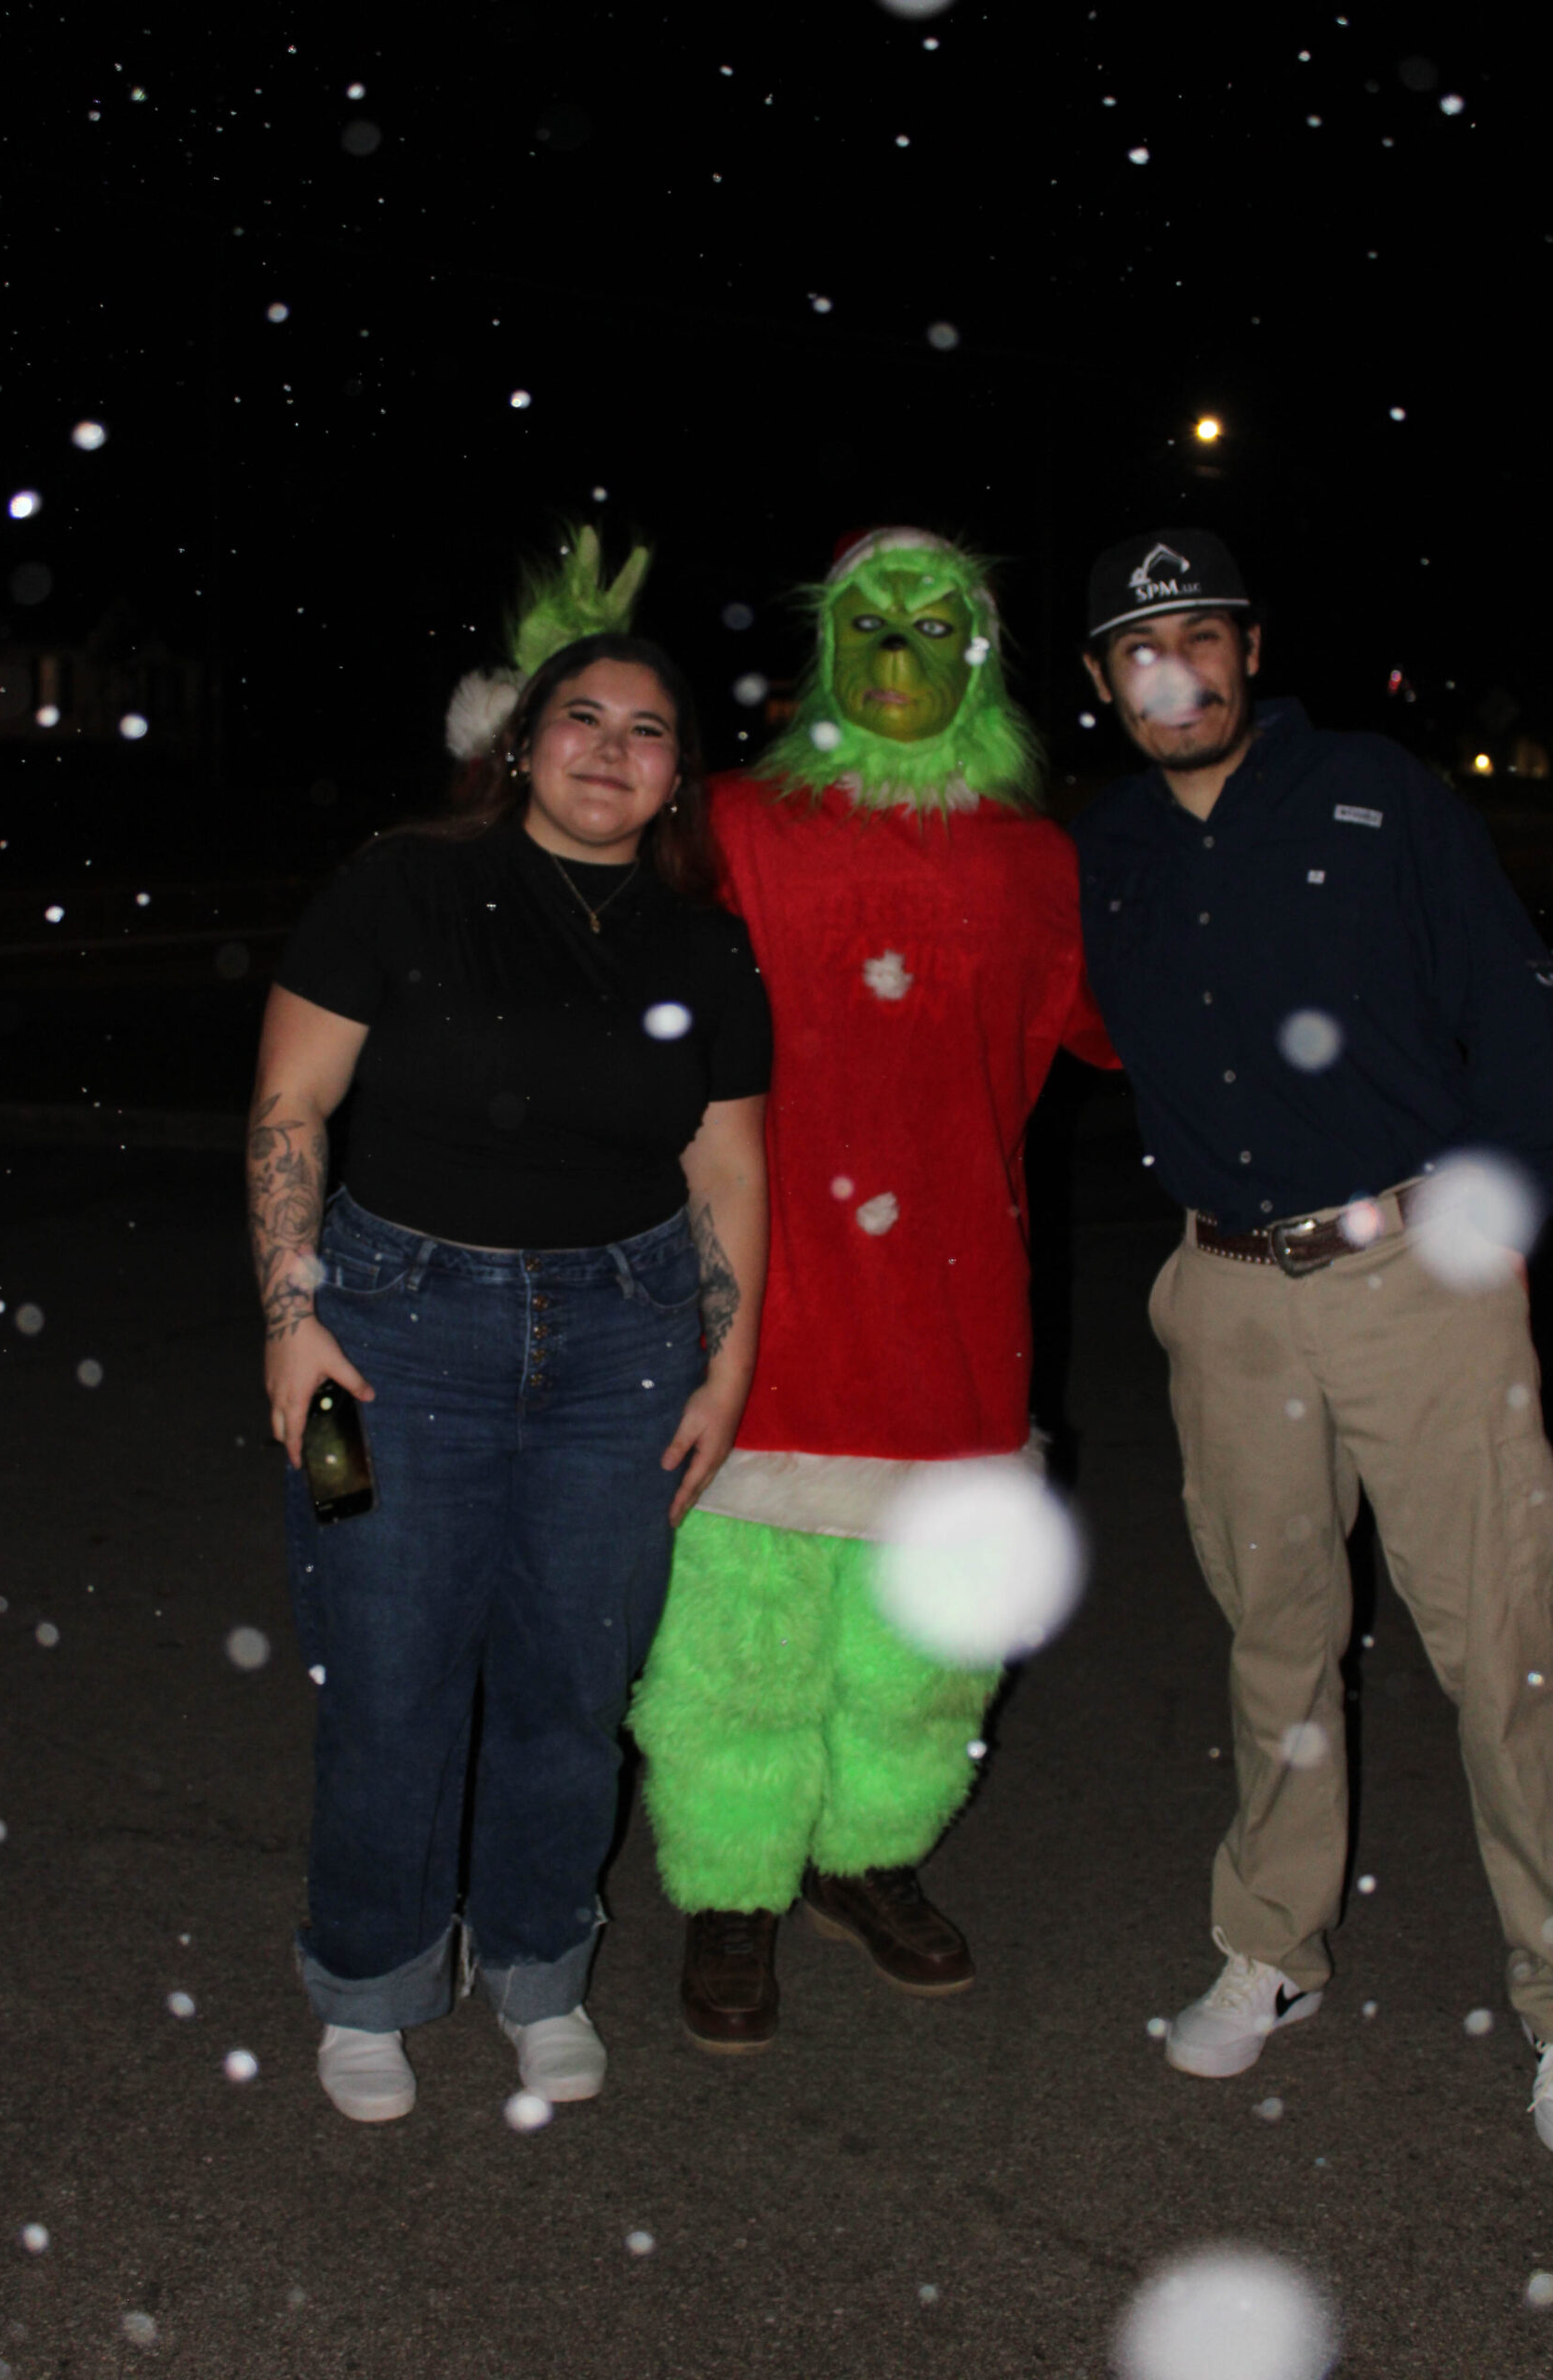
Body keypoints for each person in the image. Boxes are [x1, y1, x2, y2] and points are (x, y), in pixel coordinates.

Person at [249, 608, 771, 2122]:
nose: (612, 750)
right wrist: (291, 1320)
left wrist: (725, 1370)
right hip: (383, 1336)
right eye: (583, 718)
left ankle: (540, 1964)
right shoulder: (404, 884)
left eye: (648, 730)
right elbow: (290, 1105)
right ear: (525, 742)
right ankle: (371, 1977)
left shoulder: (704, 943)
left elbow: (727, 1168)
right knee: (385, 1677)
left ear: (677, 775)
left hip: (627, 1347)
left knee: (572, 1685)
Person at [1070, 525, 1553, 2149]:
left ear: (1251, 650)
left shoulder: (1373, 792)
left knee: (1503, 1643)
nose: (1176, 673)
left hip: (1415, 1268)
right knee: (1273, 1632)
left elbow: (1516, 1001)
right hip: (1226, 1293)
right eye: (1140, 651)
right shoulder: (1108, 845)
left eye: (1202, 636)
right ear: (1102, 681)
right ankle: (1274, 1945)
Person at [630, 526, 1116, 2050]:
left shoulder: (1038, 863)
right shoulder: (729, 826)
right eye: (869, 621)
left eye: (932, 621)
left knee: (926, 1645)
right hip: (763, 1309)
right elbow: (556, 870)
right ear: (826, 646)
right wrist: (531, 705)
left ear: (983, 654)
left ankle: (866, 1857)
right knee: (738, 1640)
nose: (898, 648)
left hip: (954, 1318)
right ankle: (731, 1884)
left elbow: (1153, 1015)